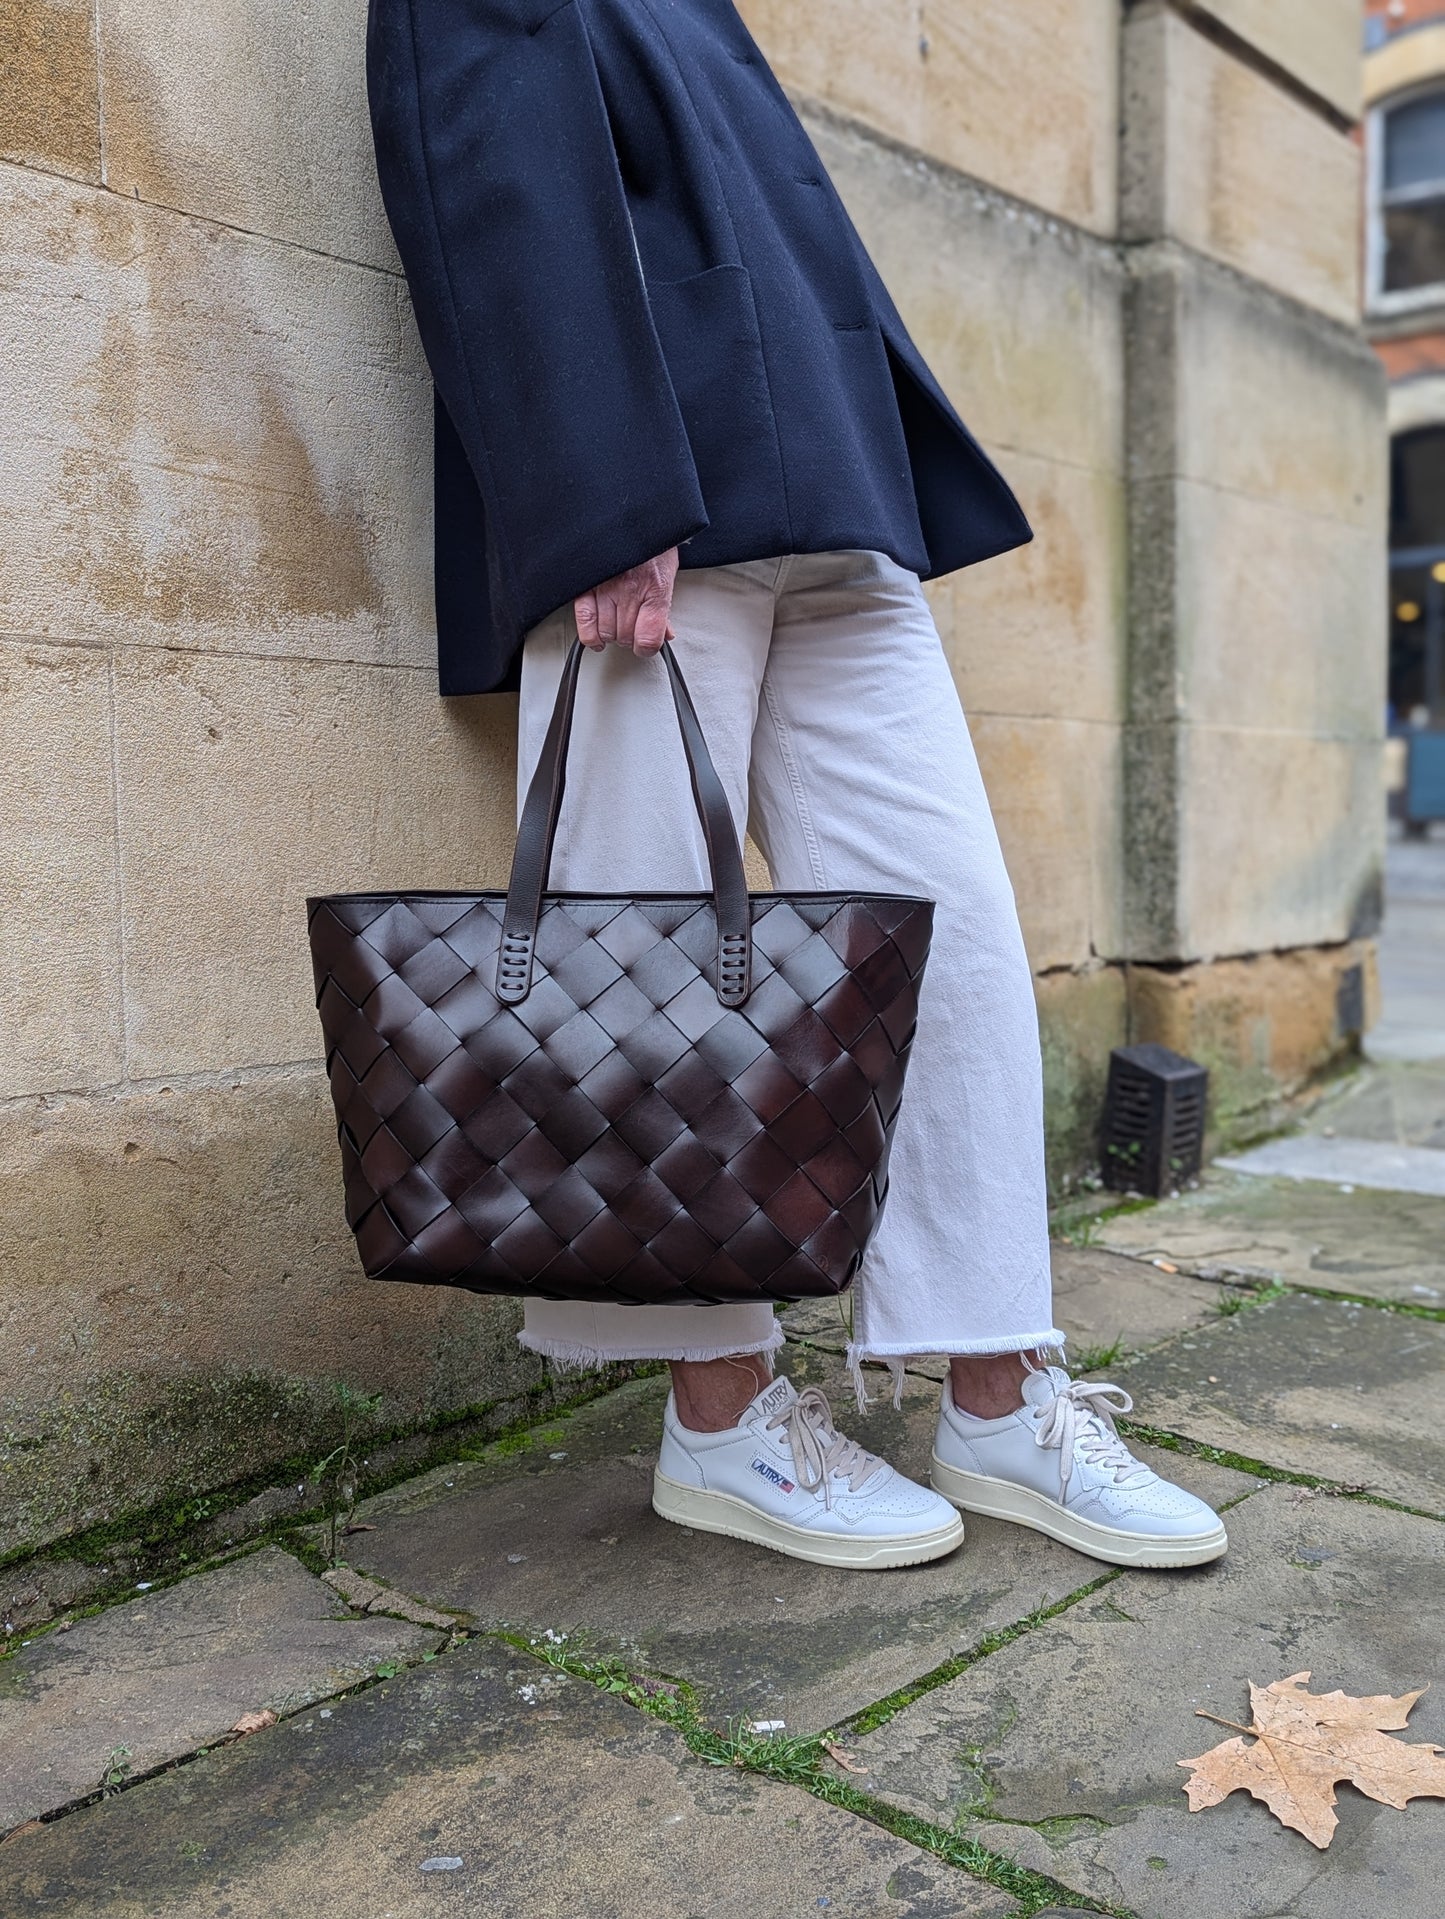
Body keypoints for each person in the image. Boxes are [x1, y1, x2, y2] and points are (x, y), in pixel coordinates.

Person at [366, 0, 1227, 1571]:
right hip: (655, 493)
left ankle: (997, 1389)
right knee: (652, 962)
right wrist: (594, 492)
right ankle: (720, 1417)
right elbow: (478, 173)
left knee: (945, 926)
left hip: (828, 482)